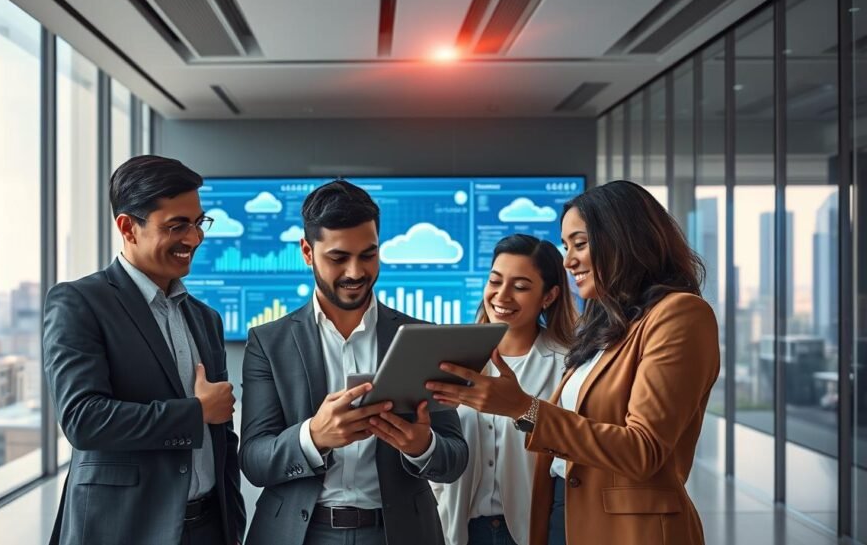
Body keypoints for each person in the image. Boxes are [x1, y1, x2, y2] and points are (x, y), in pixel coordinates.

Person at [429, 180, 719, 545]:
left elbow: (644, 449)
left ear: (623, 239)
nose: (568, 261)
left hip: (627, 529)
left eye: (580, 244)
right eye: (566, 247)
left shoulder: (680, 314)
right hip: (562, 514)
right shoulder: (609, 329)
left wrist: (523, 408)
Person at [239, 180, 468, 545]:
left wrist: (421, 445)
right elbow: (253, 460)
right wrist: (314, 436)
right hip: (299, 534)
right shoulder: (268, 343)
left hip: (398, 534)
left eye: (368, 254)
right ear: (307, 252)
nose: (356, 272)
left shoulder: (421, 337)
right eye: (338, 258)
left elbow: (454, 459)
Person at [43, 155, 245, 545]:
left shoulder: (205, 319)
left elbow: (223, 440)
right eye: (177, 226)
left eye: (198, 223)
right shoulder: (79, 302)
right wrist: (195, 413)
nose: (194, 238)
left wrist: (231, 525)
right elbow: (83, 420)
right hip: (123, 530)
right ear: (127, 227)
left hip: (207, 529)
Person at [433, 234, 577, 545]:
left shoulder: (568, 365)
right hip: (459, 529)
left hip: (532, 530)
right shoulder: (450, 358)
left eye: (521, 287)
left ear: (549, 296)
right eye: (495, 281)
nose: (502, 295)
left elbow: (570, 453)